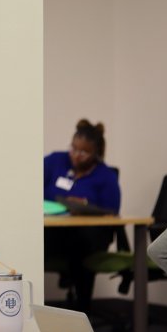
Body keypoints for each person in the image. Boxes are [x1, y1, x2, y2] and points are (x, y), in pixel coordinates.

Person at [43, 119, 121, 312]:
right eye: (74, 148)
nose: (76, 155)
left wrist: (86, 206)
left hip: (89, 237)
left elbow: (112, 210)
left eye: (84, 151)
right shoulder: (56, 161)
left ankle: (82, 310)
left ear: (97, 154)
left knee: (81, 244)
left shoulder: (105, 176)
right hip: (54, 232)